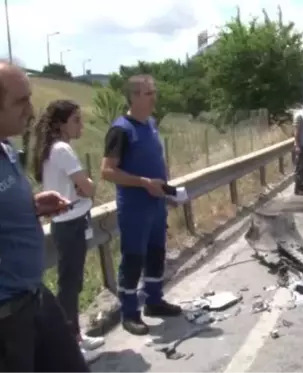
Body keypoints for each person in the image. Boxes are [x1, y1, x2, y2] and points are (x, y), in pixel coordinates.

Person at [0, 62, 90, 372]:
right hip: (7, 318)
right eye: (20, 101)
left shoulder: (7, 150)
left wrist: (34, 206)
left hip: (34, 294)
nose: (31, 110)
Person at [100, 74, 182, 336]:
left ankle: (154, 301)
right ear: (134, 97)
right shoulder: (121, 130)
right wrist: (143, 182)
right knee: (133, 259)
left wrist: (167, 191)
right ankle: (130, 312)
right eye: (148, 93)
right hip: (134, 206)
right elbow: (107, 171)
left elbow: (156, 159)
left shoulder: (151, 124)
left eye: (153, 92)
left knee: (157, 253)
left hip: (156, 204)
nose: (154, 97)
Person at [31, 99, 105, 361]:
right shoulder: (62, 149)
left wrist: (84, 188)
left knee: (72, 282)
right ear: (61, 124)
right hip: (71, 222)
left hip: (71, 221)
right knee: (69, 284)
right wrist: (88, 186)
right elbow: (87, 187)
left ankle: (76, 336)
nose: (81, 125)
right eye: (76, 120)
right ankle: (72, 343)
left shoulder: (55, 148)